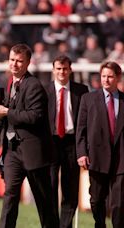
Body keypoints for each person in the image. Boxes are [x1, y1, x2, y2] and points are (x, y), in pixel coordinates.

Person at [0, 43, 59, 228]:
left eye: (19, 61)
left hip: (33, 153)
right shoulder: (10, 82)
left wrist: (6, 112)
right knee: (10, 195)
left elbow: (35, 116)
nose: (15, 64)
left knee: (43, 201)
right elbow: (9, 113)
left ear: (28, 63)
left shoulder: (34, 85)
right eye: (12, 60)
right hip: (13, 151)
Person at [76, 61, 124, 228]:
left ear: (118, 78)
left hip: (121, 160)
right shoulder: (88, 99)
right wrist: (81, 153)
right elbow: (81, 130)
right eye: (103, 76)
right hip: (96, 157)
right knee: (96, 200)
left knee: (119, 203)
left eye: (110, 76)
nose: (106, 80)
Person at [46, 55, 88, 228]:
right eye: (58, 68)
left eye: (65, 69)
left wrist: (84, 149)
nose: (61, 72)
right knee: (50, 187)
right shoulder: (44, 90)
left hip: (72, 143)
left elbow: (85, 122)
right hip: (51, 144)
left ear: (70, 70)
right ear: (53, 70)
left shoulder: (82, 90)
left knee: (70, 190)